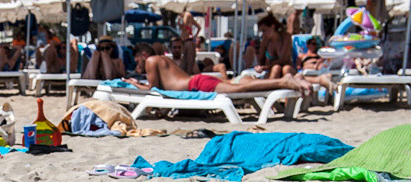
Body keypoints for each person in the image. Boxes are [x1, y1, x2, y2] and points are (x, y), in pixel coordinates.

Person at [125, 43, 311, 95]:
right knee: (240, 83)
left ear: (142, 55)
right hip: (198, 80)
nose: (138, 66)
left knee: (239, 89)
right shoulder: (162, 59)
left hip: (196, 84)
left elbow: (154, 89)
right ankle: (300, 79)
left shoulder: (150, 60)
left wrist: (134, 84)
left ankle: (284, 81)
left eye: (138, 62)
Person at [255, 14, 295, 79]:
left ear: (272, 27)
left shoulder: (286, 37)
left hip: (286, 69)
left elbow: (283, 59)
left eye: (264, 30)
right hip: (271, 70)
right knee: (276, 68)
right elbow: (261, 61)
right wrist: (258, 67)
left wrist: (267, 66)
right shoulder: (265, 41)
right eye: (261, 31)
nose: (263, 34)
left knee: (284, 68)